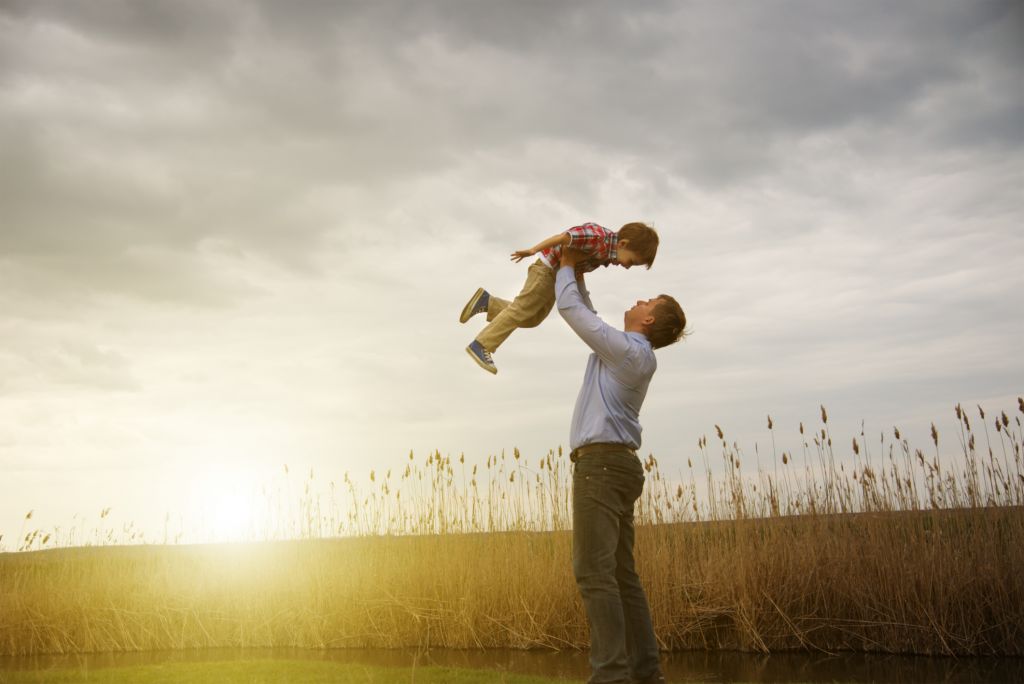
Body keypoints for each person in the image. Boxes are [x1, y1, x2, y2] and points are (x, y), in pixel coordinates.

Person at [556, 246, 687, 684]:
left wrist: (568, 265)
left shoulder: (630, 353)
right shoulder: (627, 351)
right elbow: (589, 312)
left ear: (649, 320)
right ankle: (646, 674)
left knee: (594, 572)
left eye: (647, 301)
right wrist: (580, 272)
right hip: (617, 466)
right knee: (620, 575)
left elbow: (572, 310)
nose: (638, 301)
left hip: (602, 467)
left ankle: (611, 676)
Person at [459, 222, 660, 374]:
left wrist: (586, 304)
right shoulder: (598, 237)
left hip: (556, 277)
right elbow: (564, 237)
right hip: (546, 271)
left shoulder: (607, 254)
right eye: (631, 261)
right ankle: (482, 344)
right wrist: (533, 250)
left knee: (532, 318)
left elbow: (579, 272)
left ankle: (487, 302)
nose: (626, 266)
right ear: (623, 244)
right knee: (522, 309)